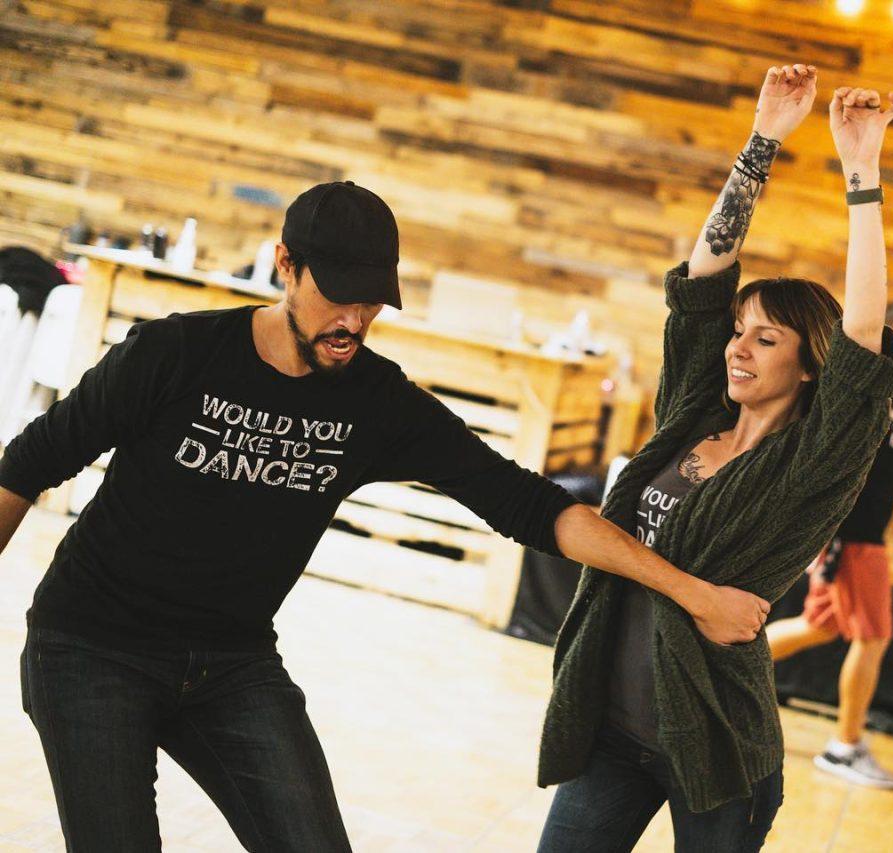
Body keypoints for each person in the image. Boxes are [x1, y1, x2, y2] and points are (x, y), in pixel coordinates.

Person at [0, 181, 770, 852]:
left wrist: (691, 591)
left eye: (370, 301)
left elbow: (528, 504)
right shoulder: (173, 354)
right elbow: (26, 466)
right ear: (285, 265)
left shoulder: (376, 402)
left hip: (229, 663)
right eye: (337, 294)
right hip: (92, 646)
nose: (353, 319)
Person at [536, 64, 893, 852]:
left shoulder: (812, 461)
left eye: (765, 338)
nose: (738, 347)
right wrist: (762, 140)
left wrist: (862, 170)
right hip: (611, 733)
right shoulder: (692, 414)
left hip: (715, 748)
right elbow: (702, 284)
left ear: (808, 365)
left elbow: (863, 337)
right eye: (739, 332)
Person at [766, 298, 893, 789]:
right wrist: (829, 534)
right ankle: (844, 748)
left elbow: (890, 471)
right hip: (854, 535)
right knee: (873, 637)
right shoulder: (874, 392)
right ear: (891, 336)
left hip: (867, 531)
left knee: (819, 626)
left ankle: (711, 667)